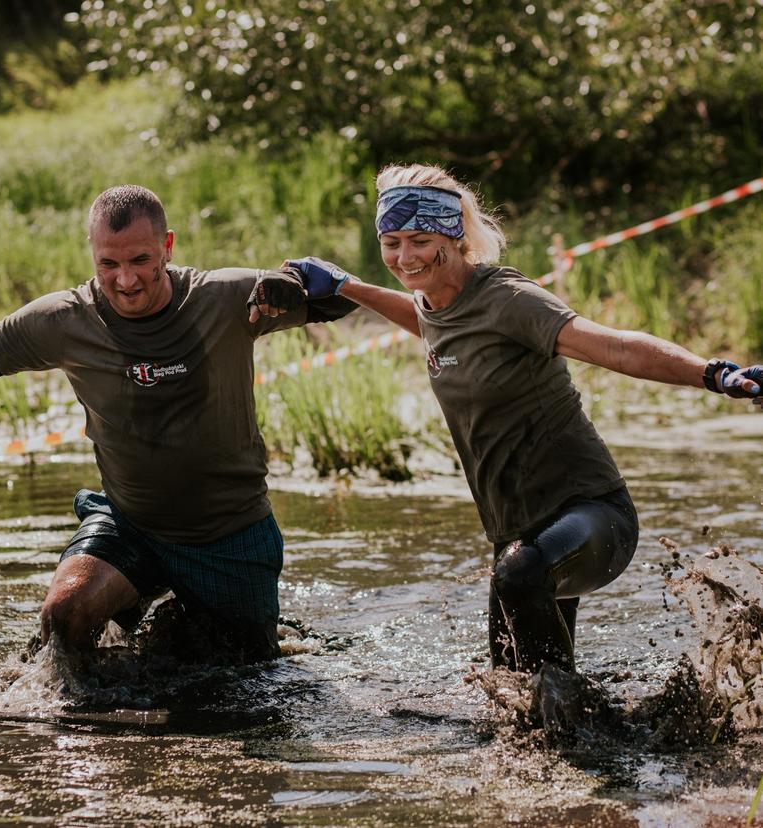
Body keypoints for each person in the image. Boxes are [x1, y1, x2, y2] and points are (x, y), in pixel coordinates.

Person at [0, 184, 355, 663]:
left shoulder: (225, 297)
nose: (125, 280)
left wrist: (292, 284)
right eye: (108, 263)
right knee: (63, 620)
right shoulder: (65, 320)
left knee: (246, 669)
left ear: (168, 246)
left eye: (140, 260)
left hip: (229, 534)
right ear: (91, 252)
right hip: (132, 524)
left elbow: (342, 296)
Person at [285, 163, 763, 675]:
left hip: (592, 518)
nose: (405, 258)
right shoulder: (438, 304)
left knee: (519, 581)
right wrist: (347, 285)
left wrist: (715, 374)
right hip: (519, 535)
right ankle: (575, 734)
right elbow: (423, 319)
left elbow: (618, 348)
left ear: (456, 233)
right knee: (512, 682)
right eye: (392, 241)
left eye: (420, 240)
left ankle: (572, 734)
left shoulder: (509, 299)